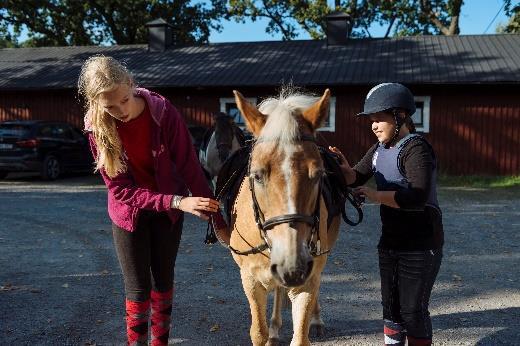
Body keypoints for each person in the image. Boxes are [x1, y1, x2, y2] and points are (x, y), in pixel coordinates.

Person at [78, 55, 228, 346]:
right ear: (97, 103)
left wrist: (218, 220)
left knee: (163, 282)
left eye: (124, 99)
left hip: (168, 214)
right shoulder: (97, 129)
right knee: (138, 289)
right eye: (110, 106)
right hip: (129, 215)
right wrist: (177, 202)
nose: (120, 111)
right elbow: (121, 190)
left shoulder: (162, 112)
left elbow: (189, 166)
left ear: (131, 85)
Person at [330, 83, 443, 346]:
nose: (373, 125)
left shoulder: (416, 149)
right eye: (371, 120)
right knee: (391, 310)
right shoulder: (378, 150)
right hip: (390, 243)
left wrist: (373, 195)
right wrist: (342, 168)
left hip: (421, 244)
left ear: (400, 116)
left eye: (379, 118)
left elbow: (417, 197)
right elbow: (354, 177)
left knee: (412, 312)